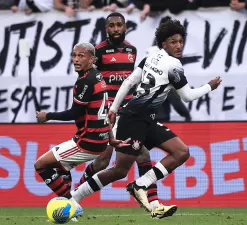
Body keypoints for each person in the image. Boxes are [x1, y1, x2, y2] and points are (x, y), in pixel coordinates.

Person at [68, 19, 222, 219]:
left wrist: (114, 108)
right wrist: (210, 86)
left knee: (181, 152)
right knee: (118, 170)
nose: (178, 46)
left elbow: (130, 80)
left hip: (144, 119)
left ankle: (142, 186)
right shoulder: (174, 65)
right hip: (133, 120)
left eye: (181, 41)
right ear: (163, 43)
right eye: (173, 42)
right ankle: (73, 198)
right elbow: (187, 96)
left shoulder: (152, 57)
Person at [72, 12, 175, 216]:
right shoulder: (99, 52)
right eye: (112, 25)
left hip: (129, 112)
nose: (116, 29)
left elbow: (132, 80)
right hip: (107, 113)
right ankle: (73, 199)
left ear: (125, 27)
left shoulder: (131, 50)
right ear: (106, 29)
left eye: (120, 25)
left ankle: (154, 204)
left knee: (143, 153)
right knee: (103, 161)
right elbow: (90, 80)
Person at [34, 42, 129, 220]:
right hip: (99, 140)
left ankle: (71, 205)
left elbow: (74, 112)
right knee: (61, 167)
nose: (76, 60)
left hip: (86, 142)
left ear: (92, 59)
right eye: (74, 55)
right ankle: (68, 210)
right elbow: (105, 112)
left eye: (81, 56)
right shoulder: (98, 77)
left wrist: (47, 116)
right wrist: (111, 139)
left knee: (40, 165)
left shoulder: (86, 81)